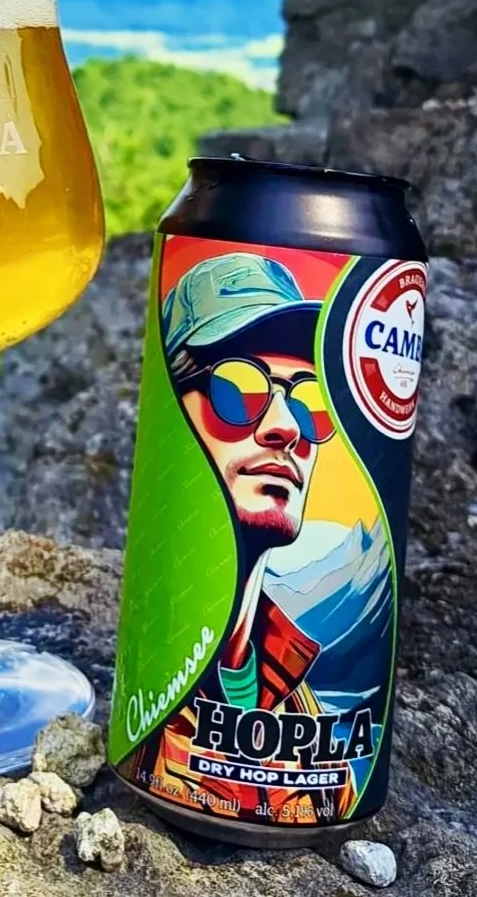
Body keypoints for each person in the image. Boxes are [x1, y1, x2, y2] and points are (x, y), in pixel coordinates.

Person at [134, 252, 356, 826]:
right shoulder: (149, 704)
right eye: (239, 388)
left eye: (311, 403)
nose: (286, 427)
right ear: (170, 415)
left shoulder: (296, 693)